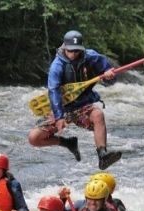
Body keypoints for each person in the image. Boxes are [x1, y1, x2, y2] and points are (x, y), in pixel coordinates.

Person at [28, 30, 121, 170]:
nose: (73, 54)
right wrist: (59, 116)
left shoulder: (92, 57)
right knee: (34, 138)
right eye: (71, 51)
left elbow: (111, 81)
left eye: (77, 51)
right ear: (65, 47)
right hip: (61, 108)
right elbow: (54, 91)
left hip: (83, 106)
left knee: (98, 115)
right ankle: (68, 143)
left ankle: (103, 155)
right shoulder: (57, 65)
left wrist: (109, 76)